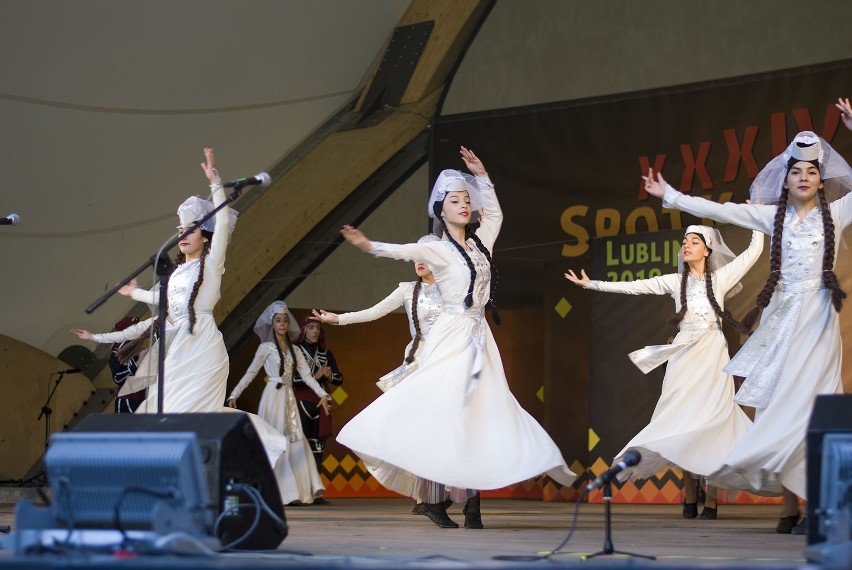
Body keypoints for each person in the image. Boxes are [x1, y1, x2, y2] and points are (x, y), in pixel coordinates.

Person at [335, 146, 576, 529]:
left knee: (483, 412)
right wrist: (369, 246)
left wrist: (483, 177)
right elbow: (405, 251)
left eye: (467, 199)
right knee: (445, 412)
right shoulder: (437, 249)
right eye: (455, 200)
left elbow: (494, 214)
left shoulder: (482, 243)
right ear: (440, 210)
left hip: (480, 335)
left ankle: (471, 504)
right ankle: (436, 497)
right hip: (450, 336)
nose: (464, 205)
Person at [642, 106, 852, 533]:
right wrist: (672, 196)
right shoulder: (770, 218)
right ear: (786, 180)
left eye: (813, 171)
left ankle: (818, 506)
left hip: (817, 320)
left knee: (814, 406)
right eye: (797, 172)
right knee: (776, 402)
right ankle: (789, 507)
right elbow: (720, 212)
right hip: (780, 319)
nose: (805, 178)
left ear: (822, 178)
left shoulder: (837, 214)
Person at [70, 149, 289, 491]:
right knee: (160, 413)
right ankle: (169, 483)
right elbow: (161, 305)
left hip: (203, 348)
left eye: (192, 229)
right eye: (180, 230)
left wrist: (216, 185)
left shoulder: (211, 265)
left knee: (195, 415)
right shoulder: (174, 274)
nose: (184, 234)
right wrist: (130, 301)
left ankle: (199, 481)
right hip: (176, 354)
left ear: (205, 235)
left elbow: (223, 238)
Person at [565, 225, 763, 520]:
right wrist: (591, 284)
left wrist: (756, 218)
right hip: (683, 355)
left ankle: (711, 498)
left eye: (694, 241)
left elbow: (753, 252)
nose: (687, 245)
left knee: (712, 422)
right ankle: (689, 493)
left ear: (706, 250)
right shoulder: (674, 281)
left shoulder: (719, 278)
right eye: (685, 241)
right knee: (682, 421)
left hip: (713, 355)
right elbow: (634, 286)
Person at [312, 239, 448, 515]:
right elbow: (375, 312)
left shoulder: (452, 291)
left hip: (448, 364)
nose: (419, 262)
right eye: (415, 257)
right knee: (416, 431)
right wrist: (338, 319)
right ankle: (422, 497)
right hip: (418, 366)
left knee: (444, 431)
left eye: (425, 256)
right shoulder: (408, 290)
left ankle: (441, 490)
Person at [227, 301, 331, 505]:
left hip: (289, 396)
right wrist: (234, 394)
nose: (282, 324)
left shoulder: (295, 350)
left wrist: (323, 394)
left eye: (285, 320)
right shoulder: (265, 348)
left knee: (294, 439)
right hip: (272, 397)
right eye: (278, 320)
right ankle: (273, 490)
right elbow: (251, 372)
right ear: (272, 324)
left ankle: (295, 492)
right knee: (272, 439)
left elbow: (308, 376)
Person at [293, 316, 343, 489]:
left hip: (321, 403)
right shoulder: (295, 351)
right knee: (300, 445)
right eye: (311, 327)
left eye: (318, 328)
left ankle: (315, 490)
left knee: (318, 446)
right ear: (303, 330)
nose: (315, 331)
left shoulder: (326, 353)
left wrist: (329, 375)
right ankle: (299, 491)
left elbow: (339, 379)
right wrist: (317, 376)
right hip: (301, 402)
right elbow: (292, 380)